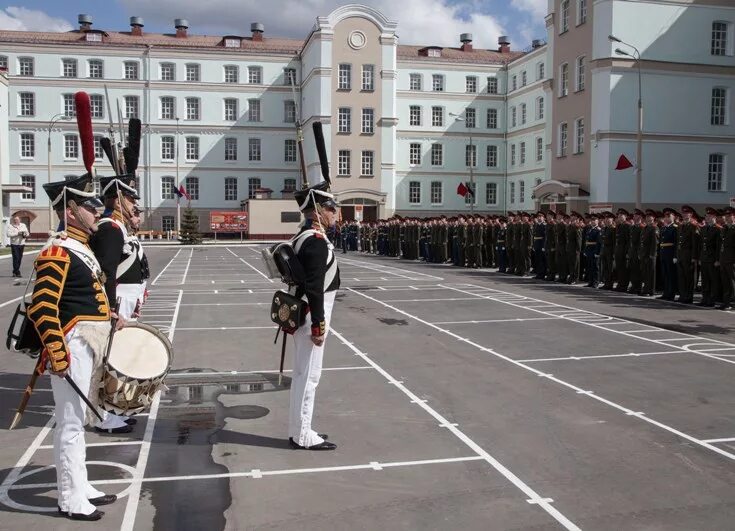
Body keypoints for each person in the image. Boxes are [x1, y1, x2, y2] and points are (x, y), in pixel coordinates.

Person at [28, 174, 121, 521]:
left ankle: (81, 485)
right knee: (69, 423)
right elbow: (42, 307)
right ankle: (70, 498)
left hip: (87, 343)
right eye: (89, 206)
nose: (97, 211)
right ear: (70, 210)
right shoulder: (57, 250)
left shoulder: (79, 247)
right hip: (71, 345)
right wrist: (57, 352)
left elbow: (83, 296)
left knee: (79, 421)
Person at [288, 181, 340, 450]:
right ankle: (304, 435)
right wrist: (319, 325)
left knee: (301, 374)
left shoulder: (303, 236)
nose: (334, 213)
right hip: (312, 313)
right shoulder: (316, 242)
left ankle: (299, 428)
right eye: (331, 208)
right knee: (310, 376)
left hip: (304, 311)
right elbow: (315, 289)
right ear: (318, 209)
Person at [89, 175, 143, 434]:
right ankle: (102, 415)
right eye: (130, 198)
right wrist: (110, 309)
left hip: (127, 299)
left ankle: (112, 409)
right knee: (108, 361)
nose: (134, 204)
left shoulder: (119, 227)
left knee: (117, 360)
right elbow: (106, 271)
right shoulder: (110, 228)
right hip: (117, 300)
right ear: (116, 198)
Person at [720, 207, 735, 311]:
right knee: (725, 282)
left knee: (732, 282)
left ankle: (732, 303)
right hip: (724, 259)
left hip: (732, 260)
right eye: (726, 216)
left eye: (729, 216)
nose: (727, 217)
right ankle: (726, 302)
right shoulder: (724, 228)